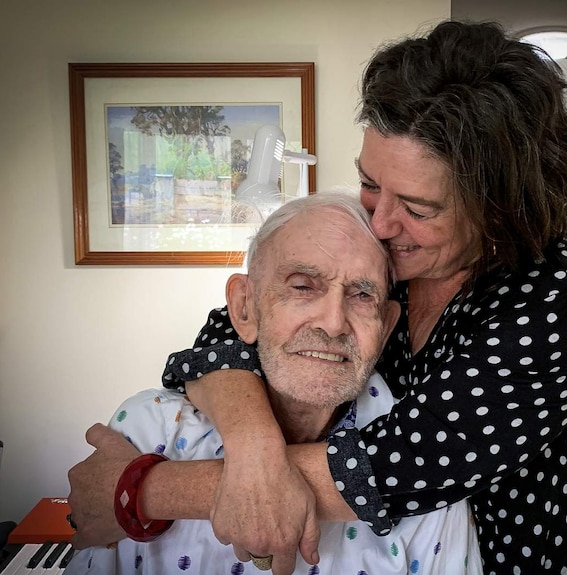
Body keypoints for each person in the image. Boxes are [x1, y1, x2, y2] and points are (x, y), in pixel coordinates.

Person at [68, 20, 567, 575]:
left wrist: (142, 488)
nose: (382, 223)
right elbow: (229, 338)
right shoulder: (391, 249)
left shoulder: (556, 299)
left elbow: (399, 466)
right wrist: (254, 446)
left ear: (497, 209)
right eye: (369, 183)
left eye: (417, 209)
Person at [66, 192, 482, 574]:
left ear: (387, 324)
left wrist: (149, 491)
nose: (334, 323)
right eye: (302, 286)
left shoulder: (430, 477)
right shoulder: (148, 429)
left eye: (361, 296)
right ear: (244, 307)